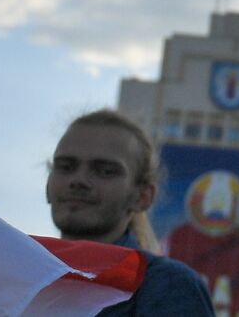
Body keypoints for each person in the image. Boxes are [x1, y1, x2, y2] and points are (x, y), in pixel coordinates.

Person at [46, 109, 214, 317]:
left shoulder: (168, 287)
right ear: (47, 185)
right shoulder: (17, 274)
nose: (78, 180)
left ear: (142, 197)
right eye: (65, 166)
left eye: (105, 171)